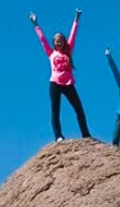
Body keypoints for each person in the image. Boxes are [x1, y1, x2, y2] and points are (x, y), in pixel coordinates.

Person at [31, 9, 91, 142]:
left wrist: (76, 18)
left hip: (68, 84)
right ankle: (58, 135)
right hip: (55, 84)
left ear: (64, 42)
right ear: (54, 43)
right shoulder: (51, 53)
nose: (58, 42)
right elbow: (42, 39)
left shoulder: (68, 52)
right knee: (55, 110)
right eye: (56, 41)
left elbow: (73, 35)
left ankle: (86, 134)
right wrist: (36, 24)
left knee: (79, 109)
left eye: (61, 40)